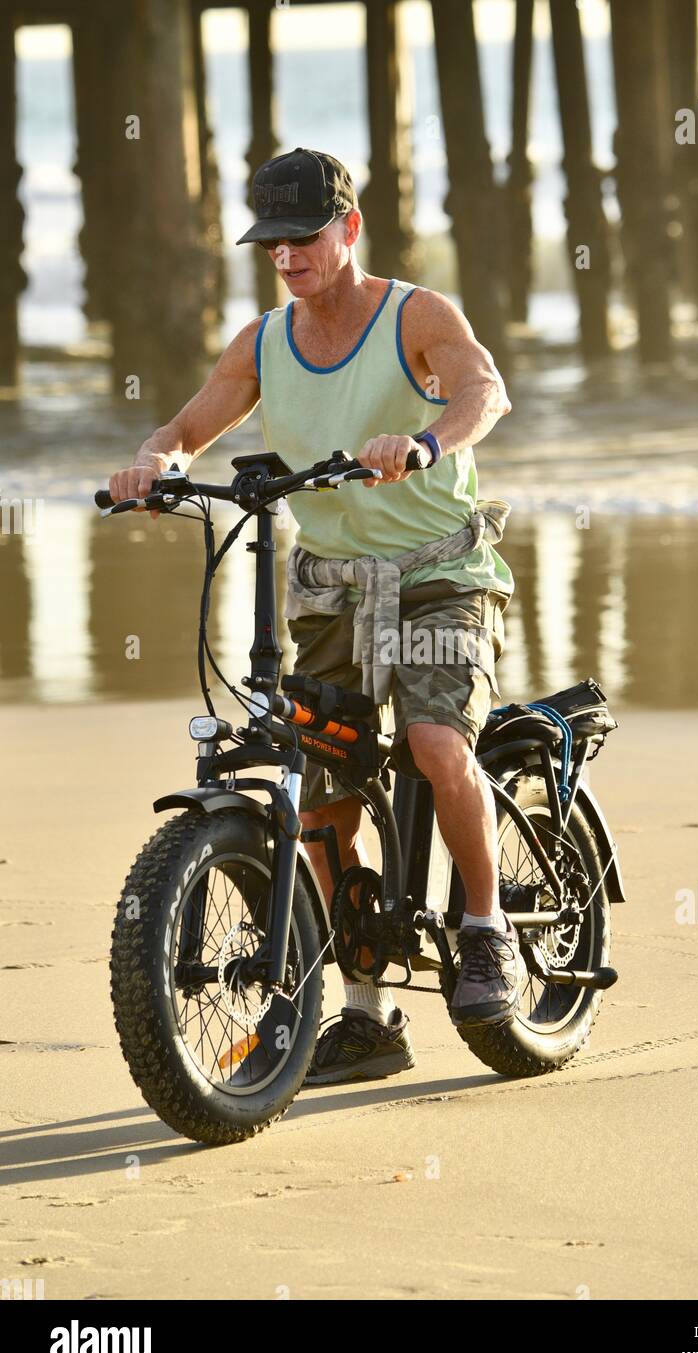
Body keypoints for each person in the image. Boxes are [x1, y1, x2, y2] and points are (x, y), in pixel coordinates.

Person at [109, 147, 522, 1085]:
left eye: (303, 238)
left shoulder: (415, 313)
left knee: (432, 742)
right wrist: (152, 459)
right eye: (272, 243)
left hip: (437, 571)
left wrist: (423, 443)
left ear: (348, 228)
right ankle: (369, 1016)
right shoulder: (264, 341)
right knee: (322, 775)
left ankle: (486, 928)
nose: (287, 257)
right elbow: (192, 422)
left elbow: (483, 390)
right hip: (330, 584)